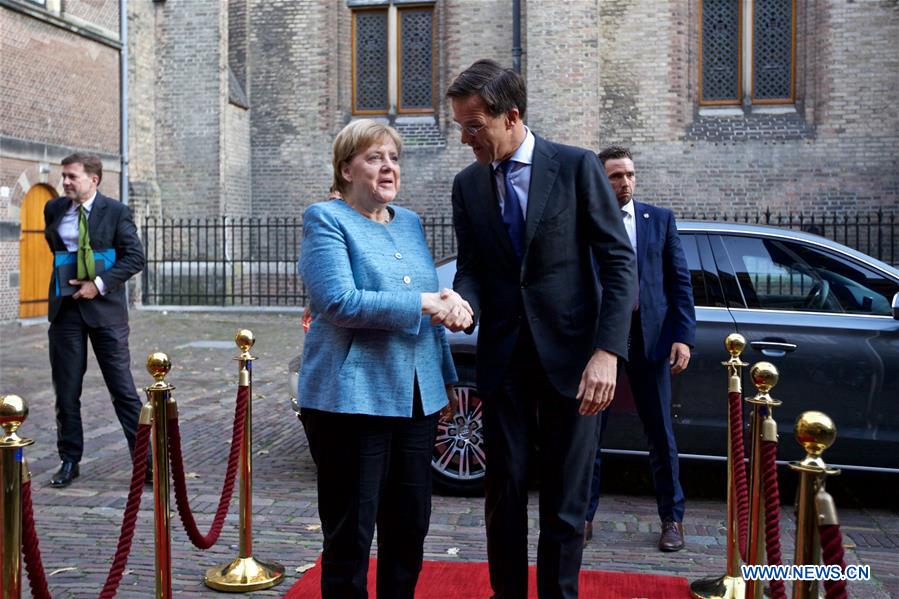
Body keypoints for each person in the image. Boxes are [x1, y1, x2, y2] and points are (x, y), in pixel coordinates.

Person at [447, 60, 637, 598]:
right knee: (503, 495)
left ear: (510, 116)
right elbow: (473, 268)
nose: (465, 139)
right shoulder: (467, 185)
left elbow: (620, 264)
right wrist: (463, 302)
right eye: (460, 126)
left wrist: (607, 352)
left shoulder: (576, 168)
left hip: (576, 363)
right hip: (503, 361)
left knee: (565, 500)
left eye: (473, 126)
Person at [297, 119, 472, 598]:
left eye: (393, 157)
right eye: (374, 158)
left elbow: (422, 293)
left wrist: (448, 306)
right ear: (346, 168)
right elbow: (339, 302)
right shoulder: (325, 219)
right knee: (351, 535)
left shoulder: (411, 222)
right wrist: (424, 304)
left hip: (417, 397)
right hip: (350, 399)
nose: (388, 167)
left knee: (409, 526)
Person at [585, 146, 695, 552]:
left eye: (629, 174)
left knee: (661, 434)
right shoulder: (586, 220)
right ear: (600, 180)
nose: (625, 182)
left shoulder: (659, 220)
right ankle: (583, 517)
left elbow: (679, 282)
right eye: (615, 176)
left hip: (648, 337)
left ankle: (672, 519)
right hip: (600, 340)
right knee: (590, 434)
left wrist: (682, 335)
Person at [43, 153, 146, 488]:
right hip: (65, 312)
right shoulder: (55, 209)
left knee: (123, 391)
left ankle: (145, 464)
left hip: (105, 313)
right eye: (64, 176)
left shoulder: (116, 212)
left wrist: (97, 284)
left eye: (72, 176)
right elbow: (56, 247)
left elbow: (135, 257)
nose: (66, 182)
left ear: (94, 180)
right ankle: (69, 461)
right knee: (66, 392)